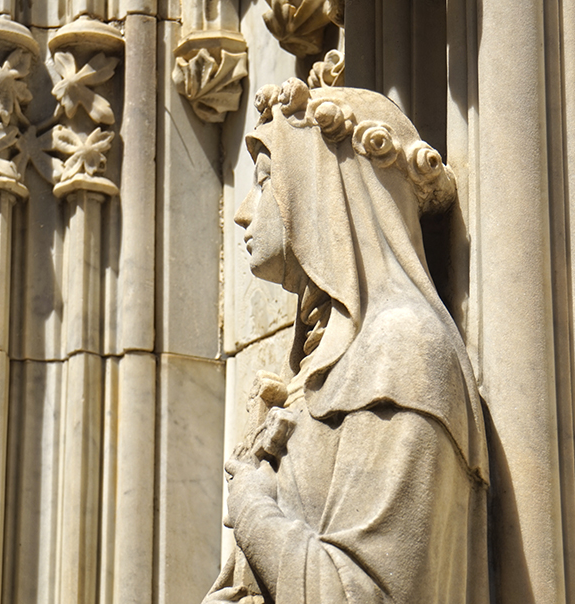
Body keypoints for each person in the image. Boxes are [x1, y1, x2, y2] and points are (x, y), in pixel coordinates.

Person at [204, 79, 489, 604]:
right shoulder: (335, 364)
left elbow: (358, 594)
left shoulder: (402, 351)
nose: (243, 212)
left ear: (322, 195)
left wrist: (251, 505)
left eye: (265, 182)